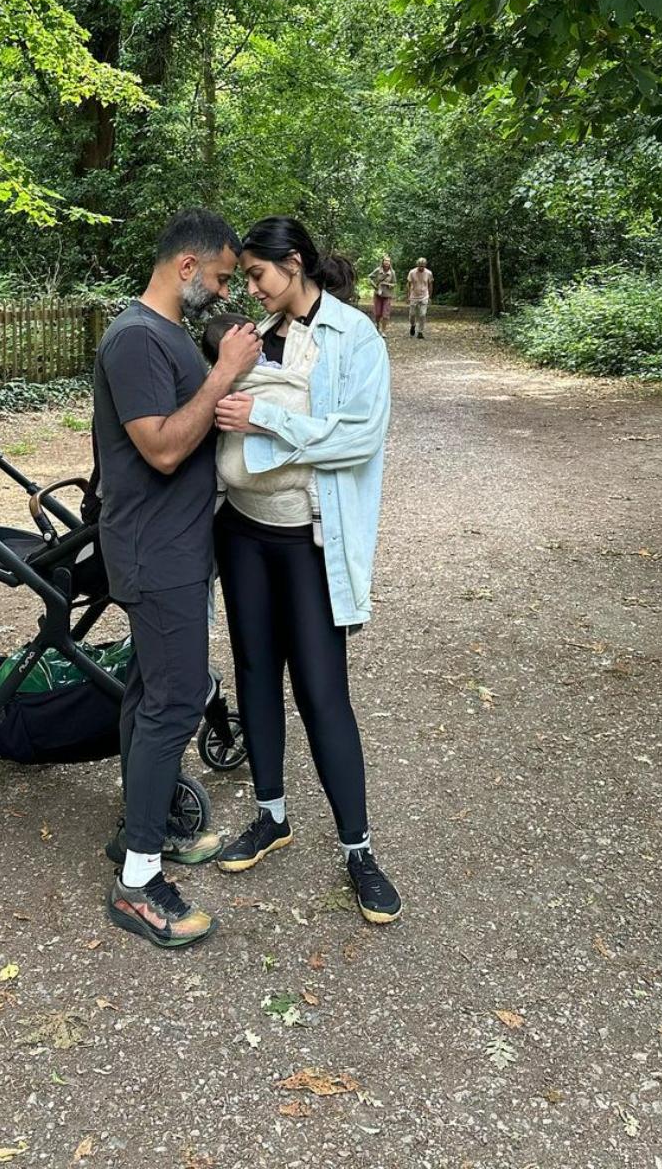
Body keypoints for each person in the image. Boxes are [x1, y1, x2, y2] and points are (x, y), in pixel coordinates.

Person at [211, 216, 402, 924]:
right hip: (240, 529)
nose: (252, 288)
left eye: (258, 275)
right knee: (255, 672)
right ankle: (271, 815)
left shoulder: (357, 338)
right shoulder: (251, 339)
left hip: (308, 538)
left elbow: (359, 437)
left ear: (294, 265)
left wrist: (269, 422)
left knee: (323, 692)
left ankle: (359, 849)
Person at [93, 209, 261, 948]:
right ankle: (136, 884)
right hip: (154, 552)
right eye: (222, 277)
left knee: (146, 694)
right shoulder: (134, 337)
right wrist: (223, 374)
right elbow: (161, 449)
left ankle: (146, 830)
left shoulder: (162, 336)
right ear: (186, 267)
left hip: (177, 547)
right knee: (173, 703)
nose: (224, 292)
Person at [201, 312, 321, 545]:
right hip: (278, 497)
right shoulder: (264, 364)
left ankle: (219, 490)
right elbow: (291, 384)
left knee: (220, 454)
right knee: (314, 474)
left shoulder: (216, 378)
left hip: (234, 475)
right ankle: (318, 513)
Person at [368, 254, 397, 335]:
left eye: (388, 261)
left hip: (387, 295)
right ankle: (377, 326)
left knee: (385, 314)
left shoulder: (392, 273)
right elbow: (369, 277)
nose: (387, 263)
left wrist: (388, 285)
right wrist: (374, 285)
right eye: (385, 261)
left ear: (390, 263)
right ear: (383, 262)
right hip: (378, 294)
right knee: (377, 313)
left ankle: (383, 331)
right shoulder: (378, 270)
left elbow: (394, 283)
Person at [407, 257, 433, 339]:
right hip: (414, 296)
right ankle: (413, 325)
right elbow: (408, 284)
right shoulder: (412, 272)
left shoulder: (429, 273)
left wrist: (430, 296)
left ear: (425, 265)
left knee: (422, 314)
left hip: (424, 296)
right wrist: (408, 295)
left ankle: (420, 332)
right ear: (417, 265)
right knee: (412, 314)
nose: (421, 267)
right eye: (420, 266)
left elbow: (430, 284)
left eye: (423, 266)